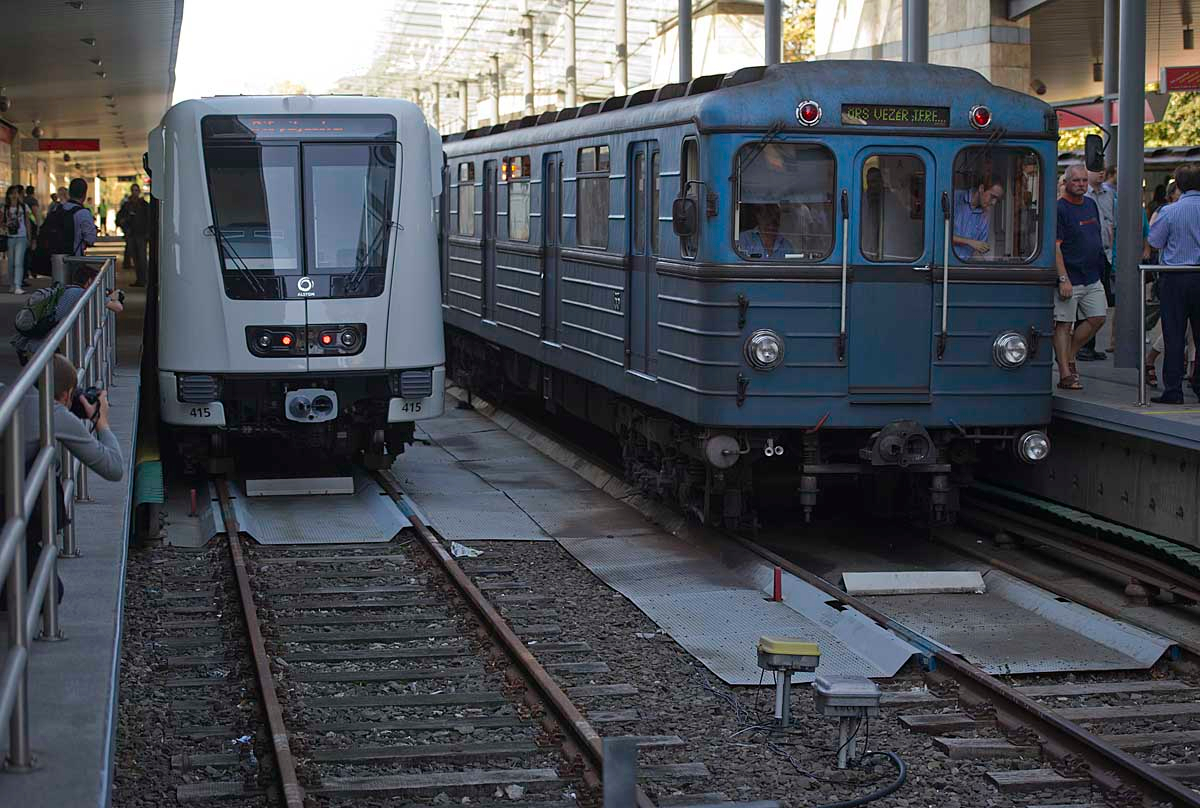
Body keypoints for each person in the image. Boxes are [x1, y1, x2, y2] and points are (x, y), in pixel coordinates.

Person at [1146, 163, 1200, 404]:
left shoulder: (1169, 211)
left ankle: (1173, 390)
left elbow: (1155, 242)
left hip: (1176, 277)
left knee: (1174, 336)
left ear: (1178, 185)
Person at [1053, 164, 1108, 391]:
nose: (1081, 185)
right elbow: (1056, 247)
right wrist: (1063, 278)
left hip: (1092, 276)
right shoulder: (1059, 208)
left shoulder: (1091, 204)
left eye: (1084, 181)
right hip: (1070, 277)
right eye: (1076, 181)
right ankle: (1065, 373)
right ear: (1066, 183)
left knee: (1098, 317)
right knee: (1063, 325)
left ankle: (1069, 355)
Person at [11, 261, 123, 364]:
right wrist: (114, 297)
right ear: (89, 281)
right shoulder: (82, 293)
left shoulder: (66, 290)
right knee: (57, 380)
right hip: (43, 347)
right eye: (97, 282)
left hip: (31, 344)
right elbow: (118, 308)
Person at [1078, 166, 1118, 361]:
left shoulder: (1109, 195)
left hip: (1104, 252)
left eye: (1102, 170)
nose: (1101, 173)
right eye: (1096, 170)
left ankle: (1089, 345)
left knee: (1098, 306)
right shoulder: (1083, 196)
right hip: (1085, 255)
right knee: (1084, 304)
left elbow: (1111, 222)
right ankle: (1082, 346)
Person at [952, 176, 1003, 261]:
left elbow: (976, 250)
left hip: (963, 268)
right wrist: (970, 242)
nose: (994, 203)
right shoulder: (955, 198)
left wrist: (986, 267)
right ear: (981, 188)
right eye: (992, 197)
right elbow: (940, 235)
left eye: (997, 200)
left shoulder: (985, 216)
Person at [116, 184, 150, 286]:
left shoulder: (144, 205)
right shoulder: (127, 205)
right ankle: (140, 280)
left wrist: (148, 233)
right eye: (133, 190)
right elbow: (119, 218)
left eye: (136, 190)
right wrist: (124, 223)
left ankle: (143, 279)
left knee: (142, 258)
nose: (135, 192)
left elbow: (149, 219)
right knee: (135, 258)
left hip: (141, 235)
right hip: (131, 235)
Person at [3, 185, 33, 294]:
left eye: (16, 193)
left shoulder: (24, 207)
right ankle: (12, 284)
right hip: (10, 237)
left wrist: (29, 238)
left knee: (18, 262)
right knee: (11, 262)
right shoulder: (5, 208)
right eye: (12, 193)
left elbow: (27, 222)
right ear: (9, 195)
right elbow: (1, 221)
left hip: (21, 237)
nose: (14, 196)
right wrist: (6, 224)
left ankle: (17, 285)